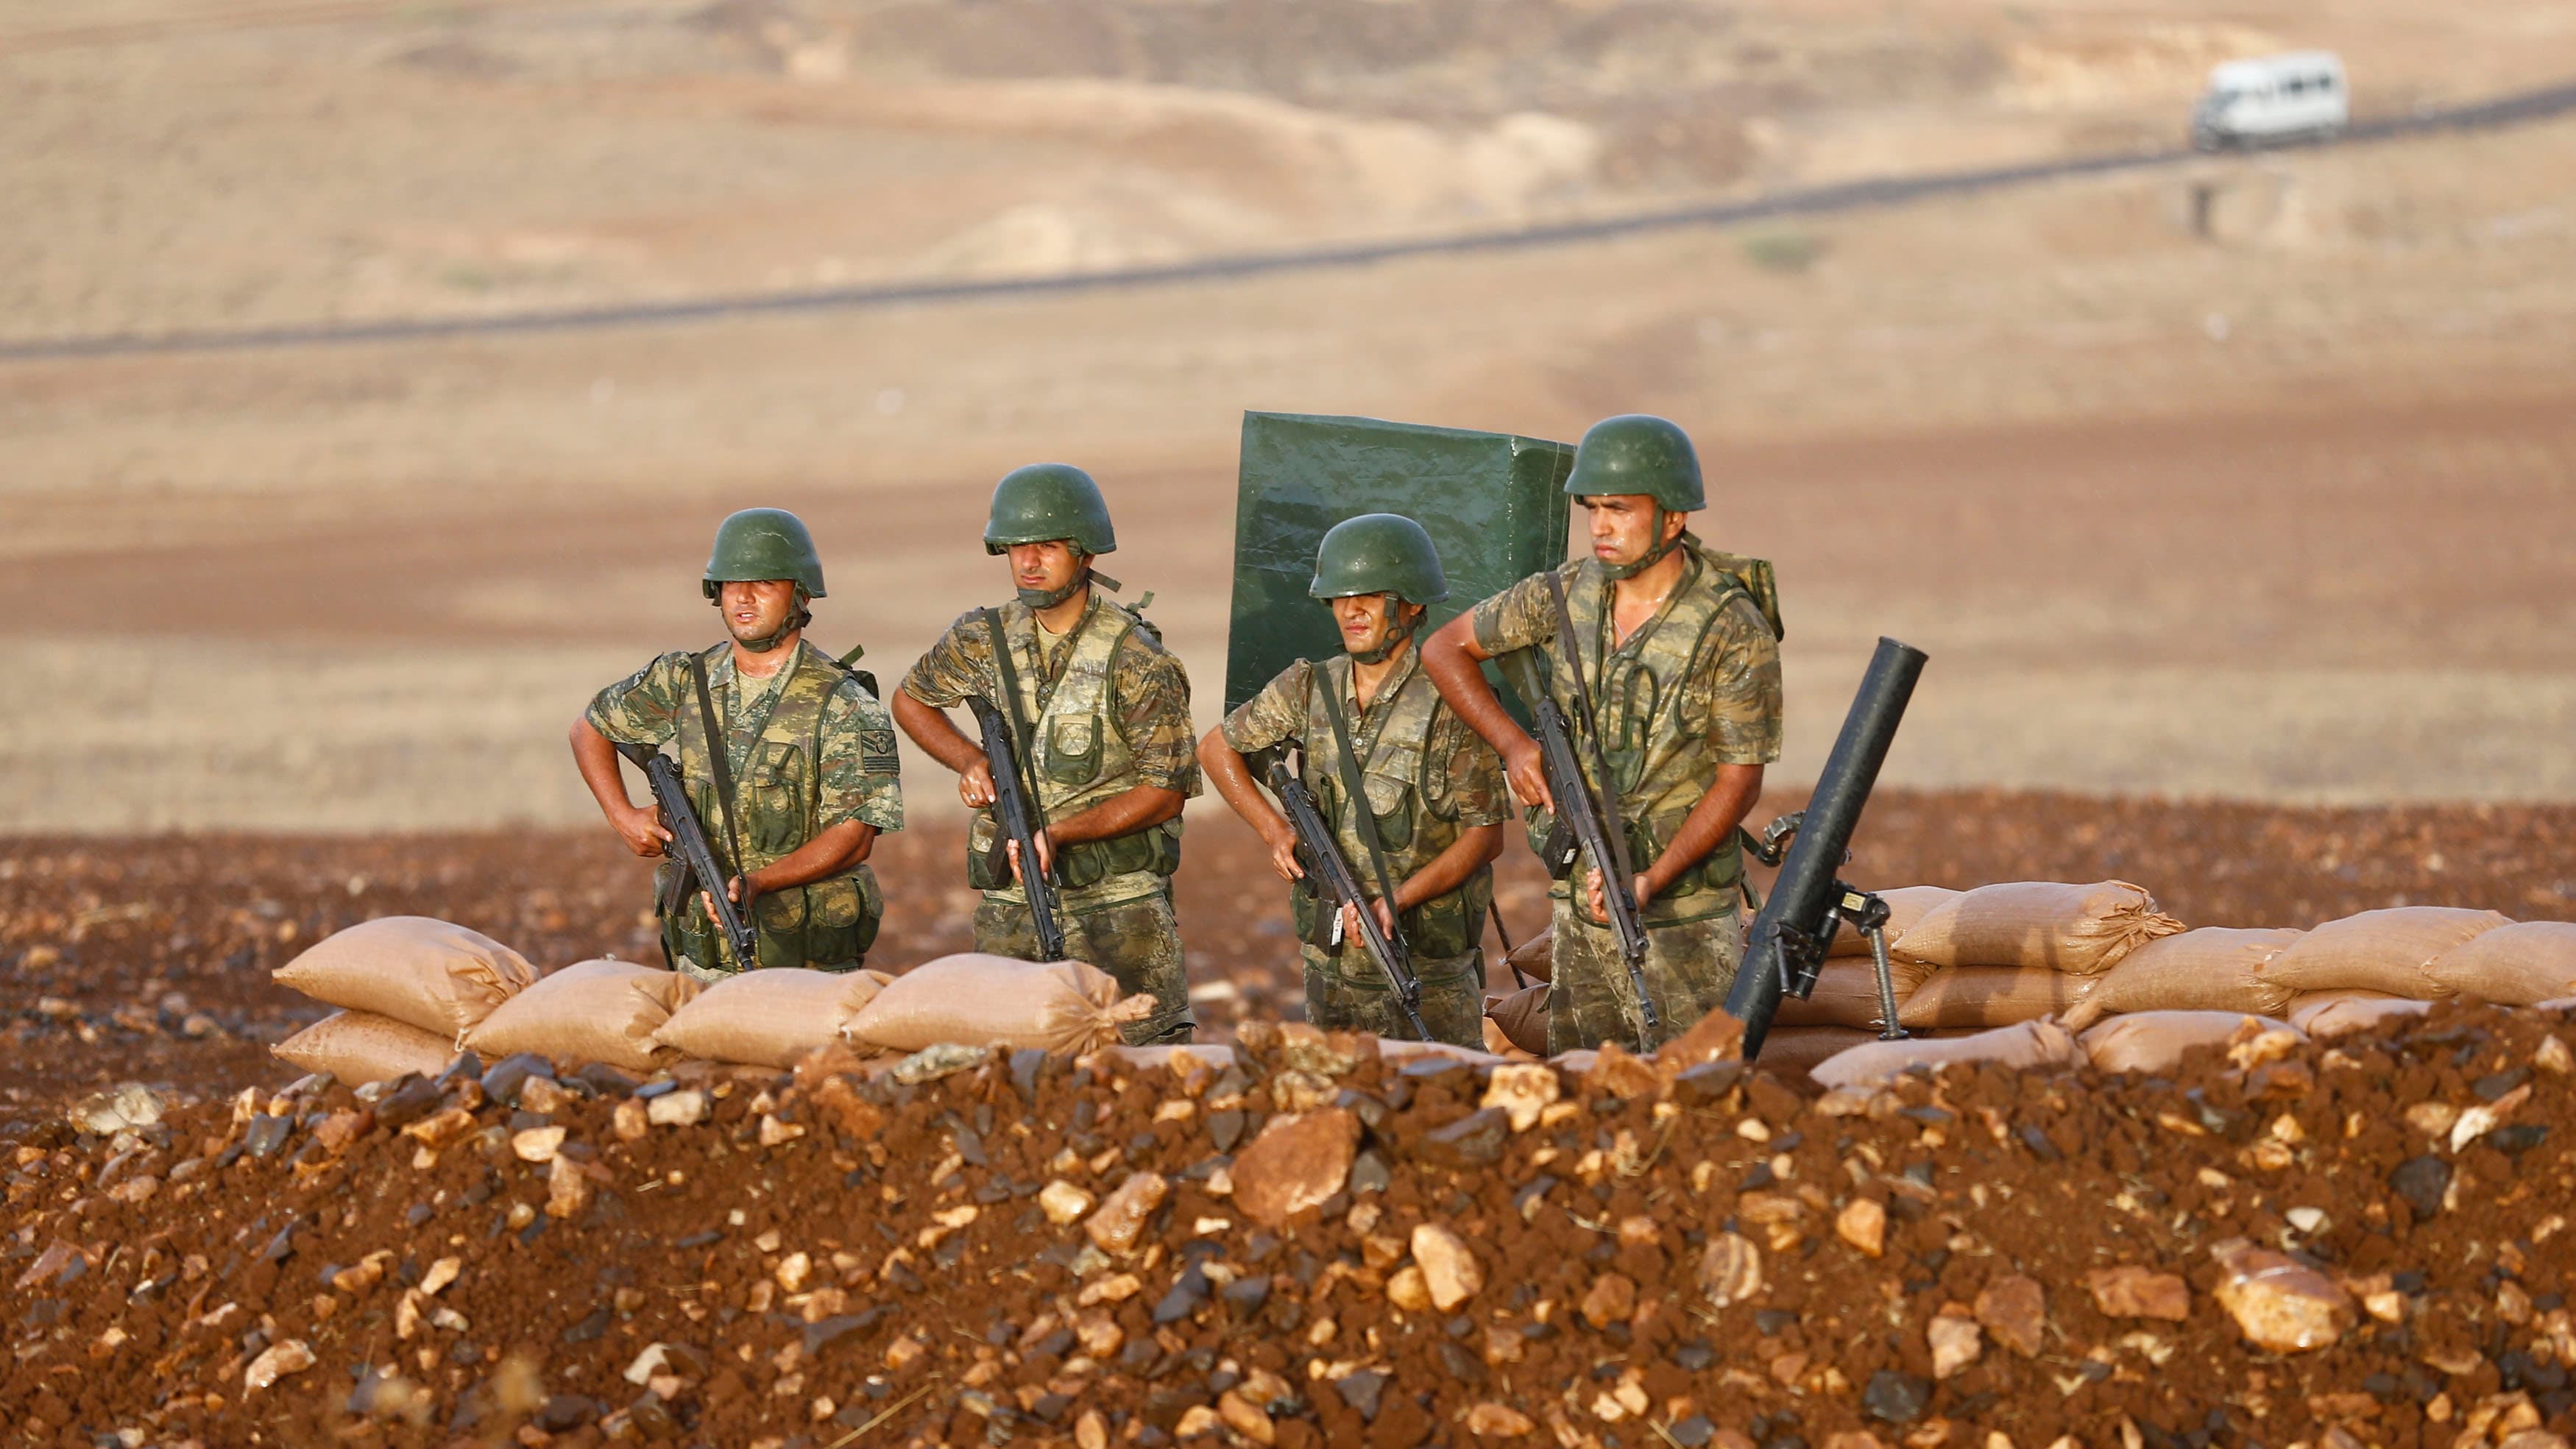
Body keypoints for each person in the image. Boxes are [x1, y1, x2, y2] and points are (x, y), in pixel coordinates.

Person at [1422, 415, 1783, 1053]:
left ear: (1672, 517)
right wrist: (1512, 744)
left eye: (1619, 508)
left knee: (1691, 1094)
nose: (1600, 526)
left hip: (1684, 920)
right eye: (1591, 508)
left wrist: (1651, 879)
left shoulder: (1731, 626)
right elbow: (1446, 648)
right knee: (1585, 1092)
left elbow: (1739, 782)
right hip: (1581, 907)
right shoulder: (1562, 594)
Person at [891, 464, 1200, 1044]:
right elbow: (911, 700)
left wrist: (1063, 833)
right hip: (1011, 905)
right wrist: (967, 759)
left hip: (1119, 908)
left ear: (1085, 553)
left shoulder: (1135, 657)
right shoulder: (981, 637)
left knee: (1137, 1065)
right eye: (1016, 547)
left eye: (1048, 547)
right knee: (1007, 1060)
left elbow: (1166, 789)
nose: (1029, 561)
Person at [1198, 514, 1507, 1046]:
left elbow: (1486, 835)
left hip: (1424, 965)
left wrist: (1399, 900)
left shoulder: (1451, 699)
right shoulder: (1308, 685)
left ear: (1411, 604)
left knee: (1439, 1098)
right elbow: (1216, 747)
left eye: (1370, 595)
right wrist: (1273, 829)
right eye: (1340, 596)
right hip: (1331, 963)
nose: (1351, 610)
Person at [570, 508, 902, 982]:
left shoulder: (844, 703)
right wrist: (622, 815)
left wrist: (761, 883)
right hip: (699, 963)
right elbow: (591, 728)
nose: (743, 597)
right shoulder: (684, 679)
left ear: (801, 593)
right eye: (730, 582)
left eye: (764, 583)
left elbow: (855, 836)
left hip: (803, 966)